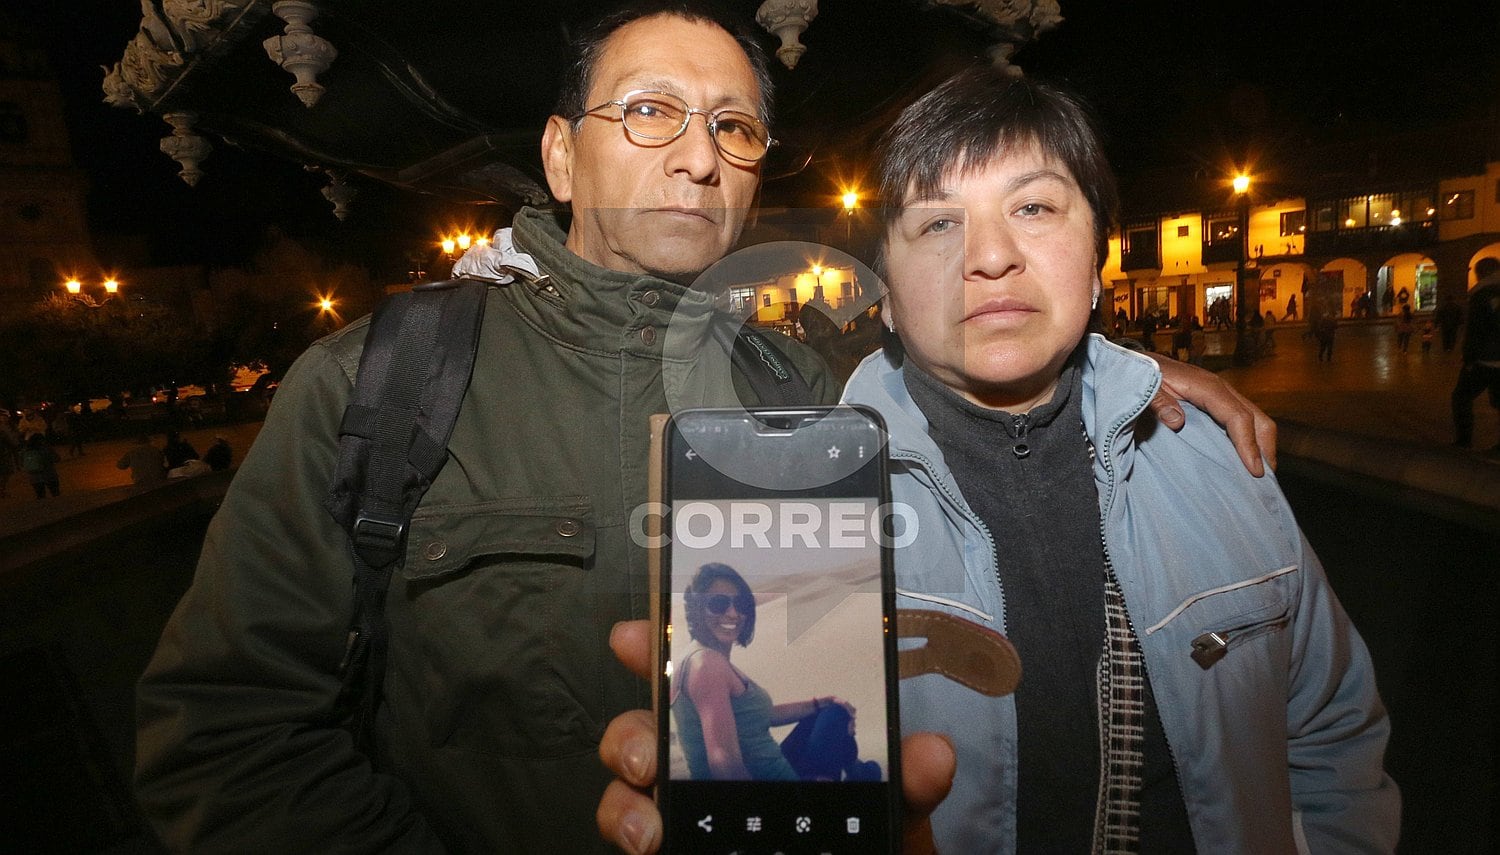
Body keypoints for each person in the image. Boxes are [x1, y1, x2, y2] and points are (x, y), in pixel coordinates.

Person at [135, 5, 1274, 853]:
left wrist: (1113, 368)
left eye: (733, 126)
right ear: (559, 154)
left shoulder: (810, 384)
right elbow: (224, 736)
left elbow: (969, 368)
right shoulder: (377, 385)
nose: (696, 154)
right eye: (649, 113)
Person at [597, 68, 1392, 854]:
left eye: (1035, 206)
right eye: (938, 225)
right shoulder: (802, 516)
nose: (991, 255)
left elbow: (1330, 731)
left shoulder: (1218, 457)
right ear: (888, 294)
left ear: (1098, 260)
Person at [672, 563, 868, 782]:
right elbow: (723, 762)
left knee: (832, 711)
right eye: (718, 604)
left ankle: (858, 770)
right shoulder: (706, 664)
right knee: (837, 717)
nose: (733, 613)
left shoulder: (700, 658)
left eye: (741, 603)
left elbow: (761, 716)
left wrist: (819, 703)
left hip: (773, 768)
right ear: (697, 608)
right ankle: (858, 773)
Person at [1451, 256, 1500, 451]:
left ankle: (1464, 440)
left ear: (1481, 273)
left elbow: (1476, 330)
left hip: (1486, 359)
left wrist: (1469, 358)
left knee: (1461, 397)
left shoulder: (1481, 294)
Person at [20, 433, 60, 499]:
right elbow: (57, 458)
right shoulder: (46, 448)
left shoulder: (25, 451)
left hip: (34, 477)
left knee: (41, 496)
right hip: (49, 474)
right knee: (55, 494)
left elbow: (22, 463)